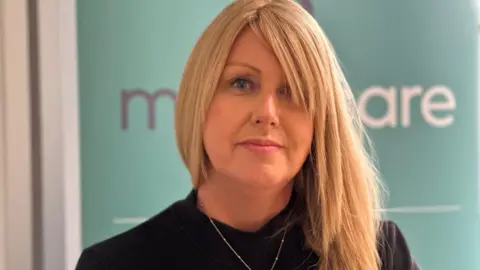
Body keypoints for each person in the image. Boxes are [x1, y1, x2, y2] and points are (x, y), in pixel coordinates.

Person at [76, 0, 420, 269]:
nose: (267, 114)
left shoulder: (379, 255)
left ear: (319, 122)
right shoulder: (116, 264)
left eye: (293, 91)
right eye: (242, 83)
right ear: (201, 99)